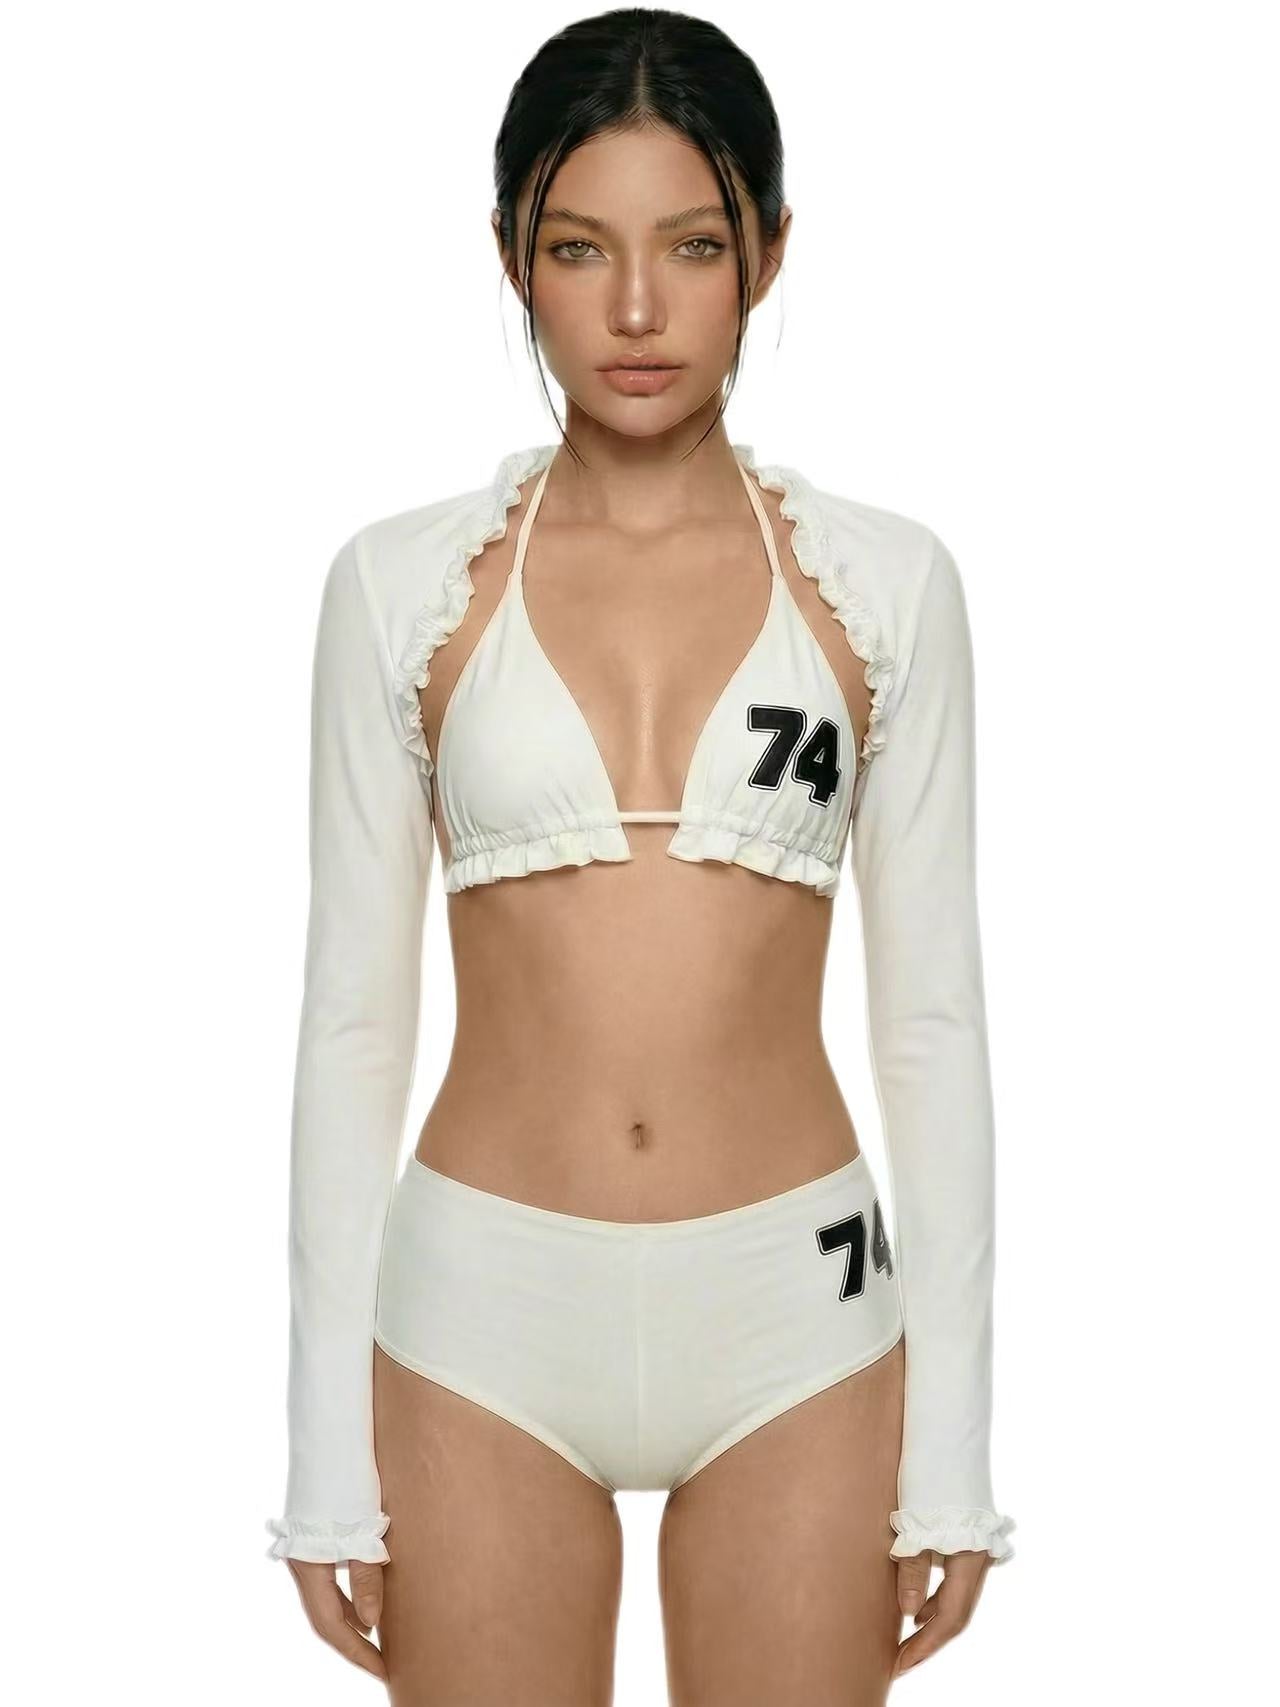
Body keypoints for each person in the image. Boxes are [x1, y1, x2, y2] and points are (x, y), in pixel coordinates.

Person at [265, 9, 1014, 1700]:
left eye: (690, 246)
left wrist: (955, 1452)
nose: (633, 311)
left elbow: (933, 1024)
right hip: (480, 1311)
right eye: (577, 248)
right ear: (510, 259)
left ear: (768, 254)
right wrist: (322, 1459)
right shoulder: (399, 586)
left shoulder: (888, 585)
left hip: (800, 1307)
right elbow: (352, 1025)